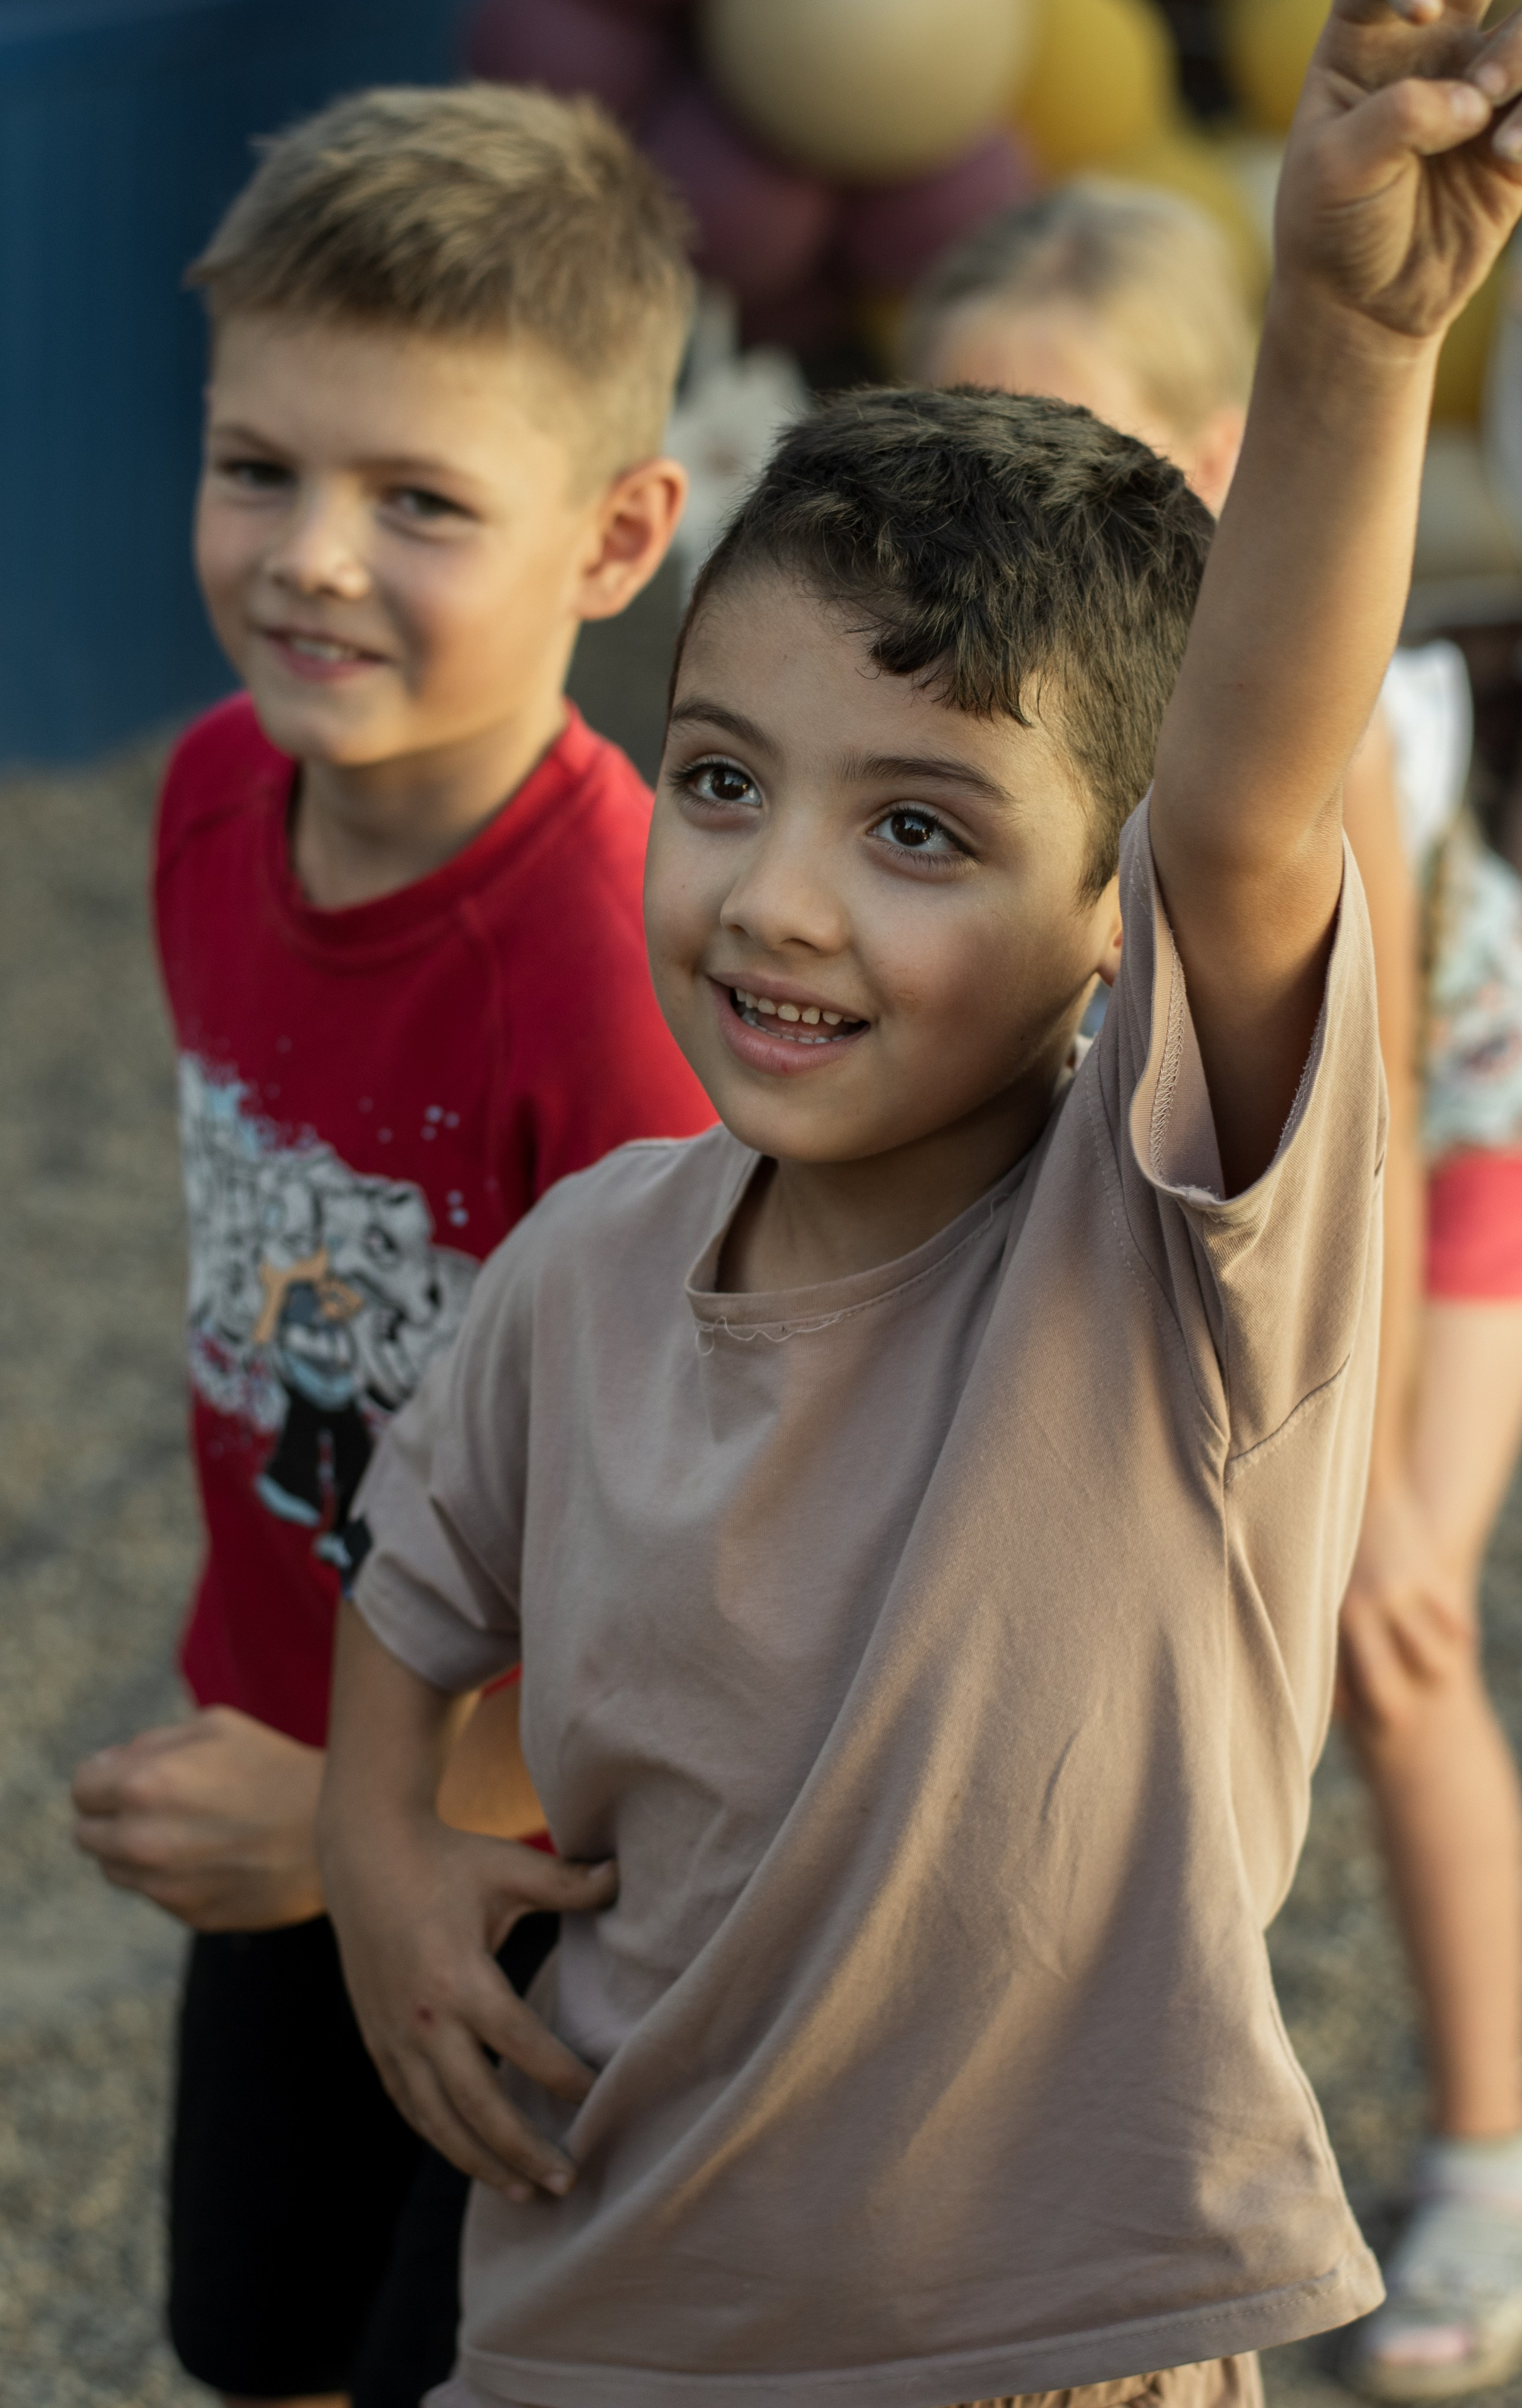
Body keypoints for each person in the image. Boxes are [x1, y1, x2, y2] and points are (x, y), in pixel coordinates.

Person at [318, 9, 1522, 2405]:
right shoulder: (585, 1277)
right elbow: (416, 1596)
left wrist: (1351, 326)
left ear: (1115, 925)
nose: (775, 897)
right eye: (726, 776)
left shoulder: (1168, 1264)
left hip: (1051, 2359)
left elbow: (1261, 804)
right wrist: (375, 1854)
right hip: (603, 2329)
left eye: (921, 830)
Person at [68, 83, 715, 2408]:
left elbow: (719, 1586)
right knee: (256, 2342)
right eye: (262, 465)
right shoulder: (213, 796)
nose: (312, 555)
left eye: (420, 499)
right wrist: (305, 1808)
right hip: (287, 1754)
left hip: (544, 1879)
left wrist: (368, 1829)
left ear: (618, 534)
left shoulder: (626, 983)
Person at [910, 171, 1522, 2404]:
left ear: (1229, 466)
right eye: (970, 442)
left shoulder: (1304, 720)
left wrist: (1363, 1488)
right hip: (1228, 1171)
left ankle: (1492, 2150)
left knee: (1396, 1626)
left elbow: (1349, 1132)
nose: (1016, 504)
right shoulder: (992, 689)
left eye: (1076, 444)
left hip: (1440, 1158)